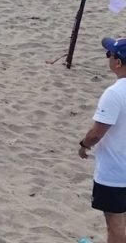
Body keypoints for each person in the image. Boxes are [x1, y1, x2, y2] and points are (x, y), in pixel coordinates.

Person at [78, 37, 126, 243]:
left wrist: (83, 145)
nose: (108, 57)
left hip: (116, 172)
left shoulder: (114, 93)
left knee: (115, 223)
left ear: (118, 63)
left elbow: (97, 133)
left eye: (110, 54)